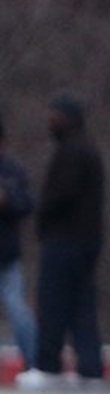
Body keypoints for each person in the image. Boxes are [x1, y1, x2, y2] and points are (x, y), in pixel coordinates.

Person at [27, 93, 104, 387]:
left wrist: (42, 212)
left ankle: (48, 365)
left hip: (66, 239)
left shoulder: (72, 152)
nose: (50, 124)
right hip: (87, 239)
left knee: (54, 303)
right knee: (83, 304)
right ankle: (91, 366)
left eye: (54, 118)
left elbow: (61, 195)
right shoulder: (89, 149)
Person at [0, 111, 33, 370]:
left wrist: (7, 201)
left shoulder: (13, 170)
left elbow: (28, 205)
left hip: (7, 255)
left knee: (19, 310)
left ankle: (34, 363)